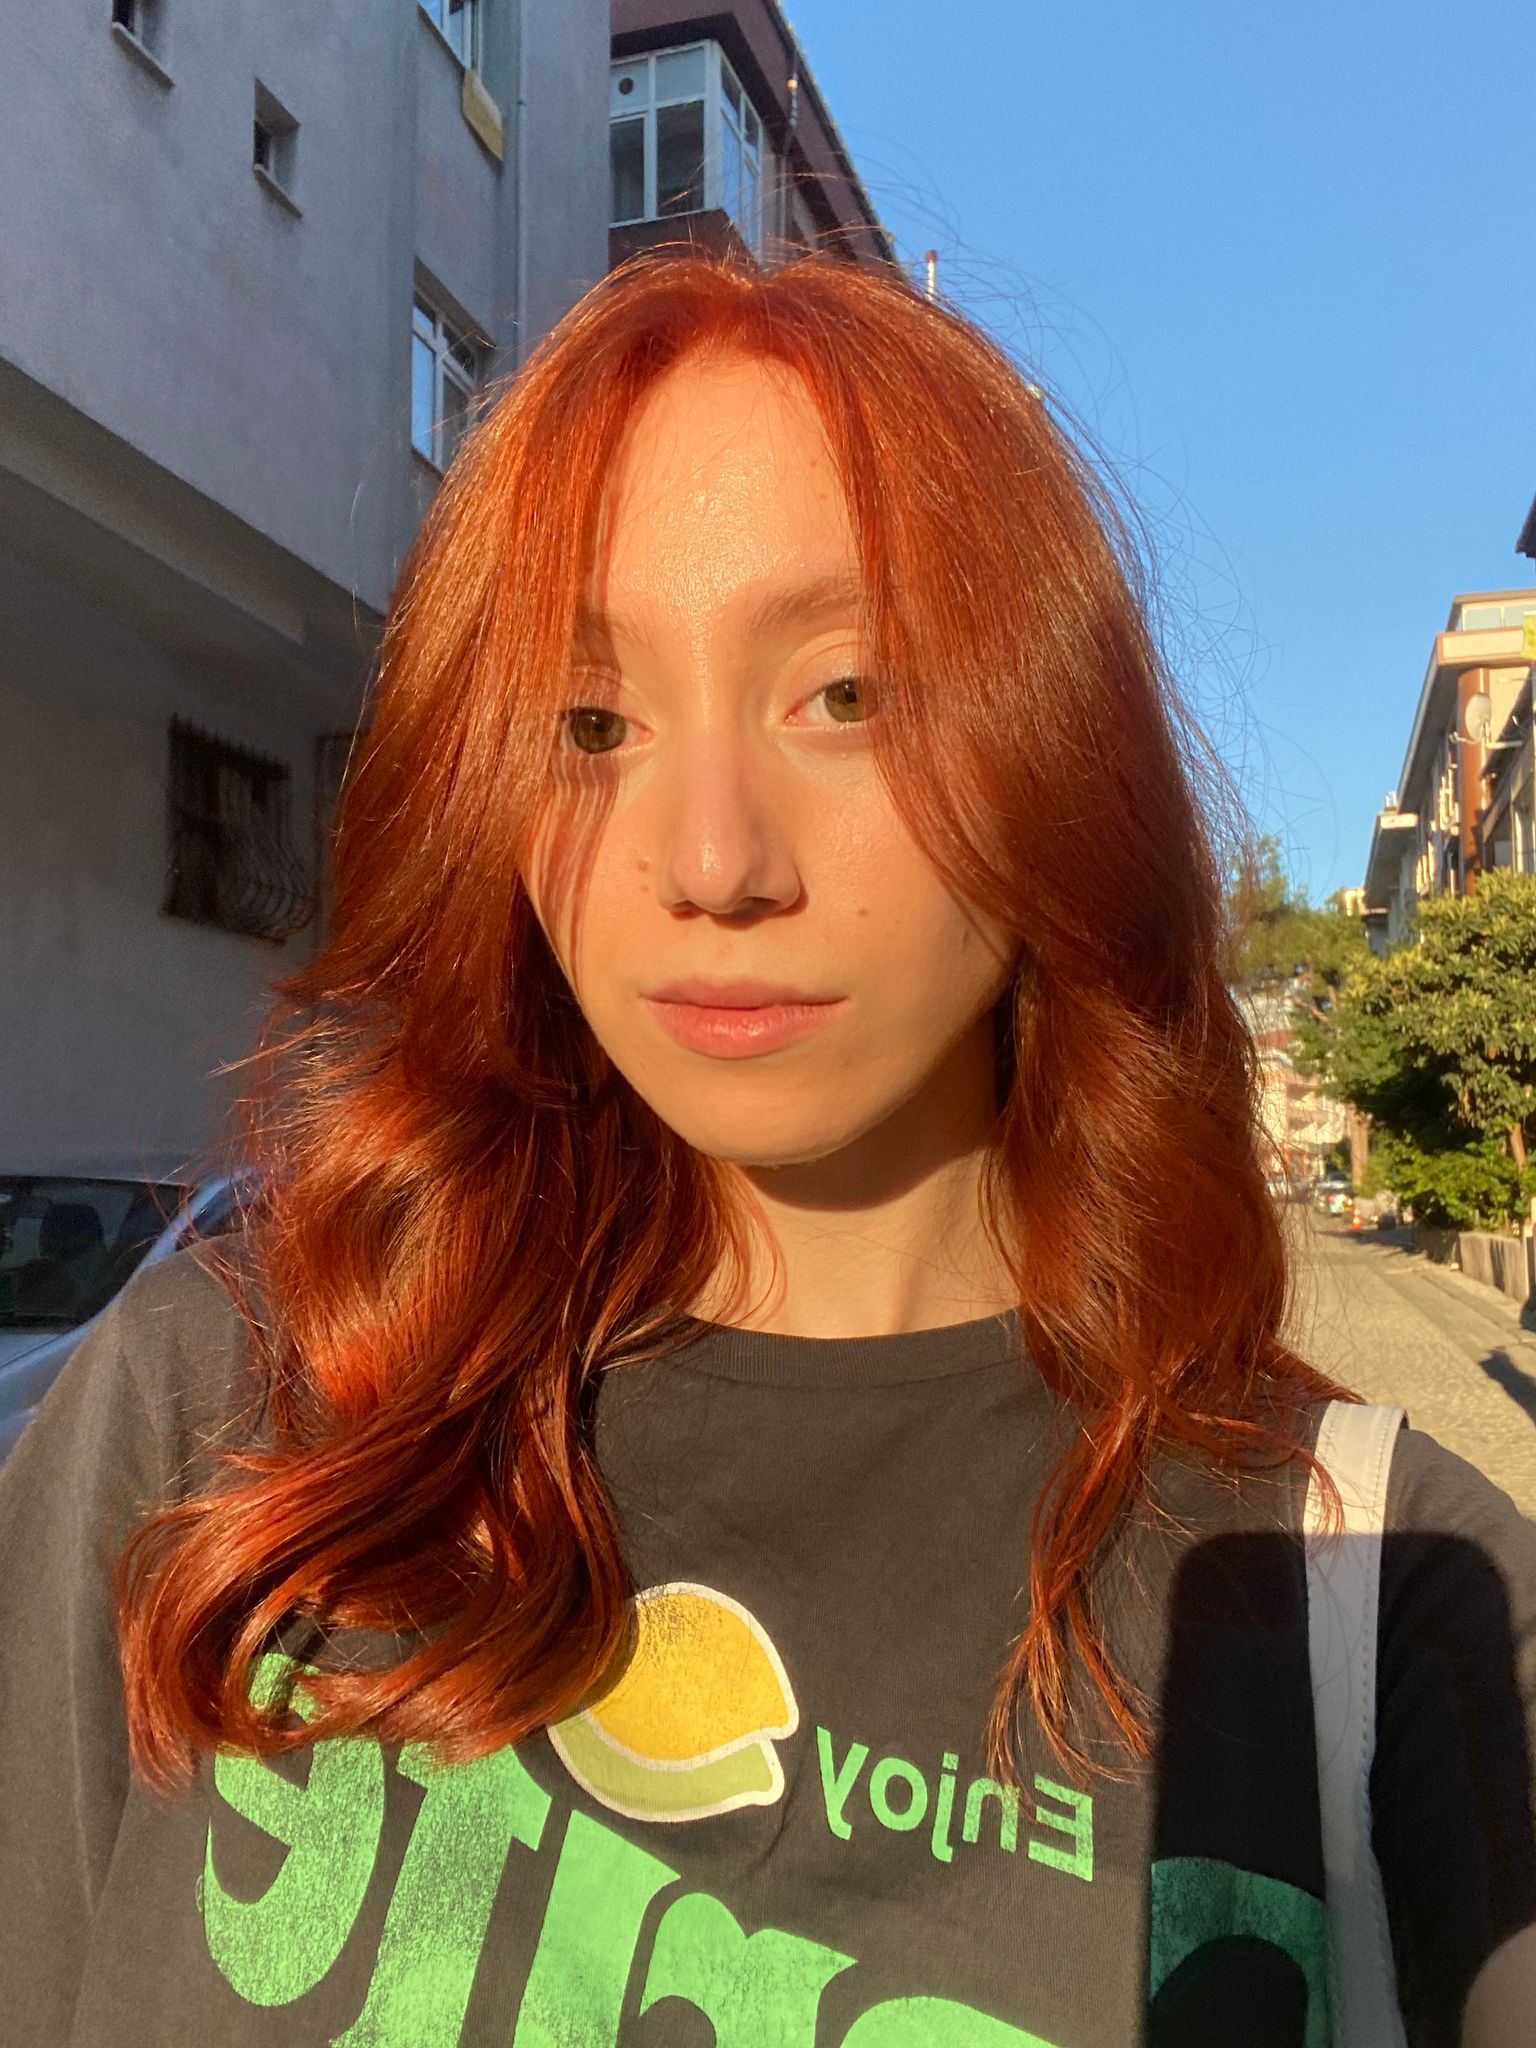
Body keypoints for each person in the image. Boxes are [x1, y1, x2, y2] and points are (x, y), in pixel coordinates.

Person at [1, 248, 1533, 2048]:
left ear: (1055, 739)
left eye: (848, 695)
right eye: (592, 724)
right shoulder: (232, 1415)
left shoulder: (1372, 1597)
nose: (714, 863)